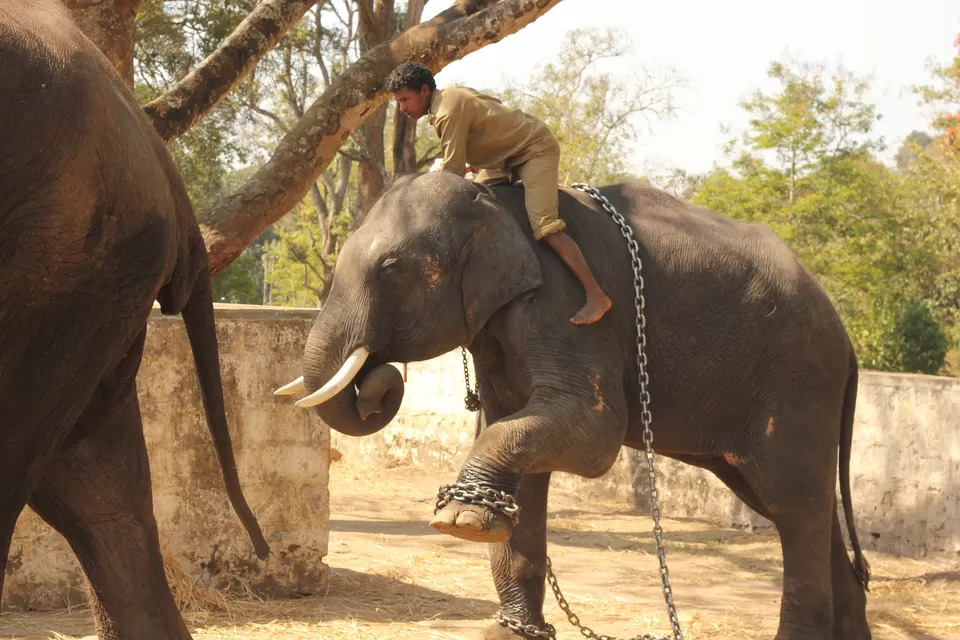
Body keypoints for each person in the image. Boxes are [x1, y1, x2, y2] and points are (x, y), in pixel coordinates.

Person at [385, 61, 612, 325]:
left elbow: (452, 172)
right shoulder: (446, 101)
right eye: (398, 102)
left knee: (545, 227)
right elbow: (489, 116)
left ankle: (596, 295)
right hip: (500, 160)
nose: (402, 109)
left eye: (405, 99)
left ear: (424, 90)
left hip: (532, 151)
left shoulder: (447, 109)